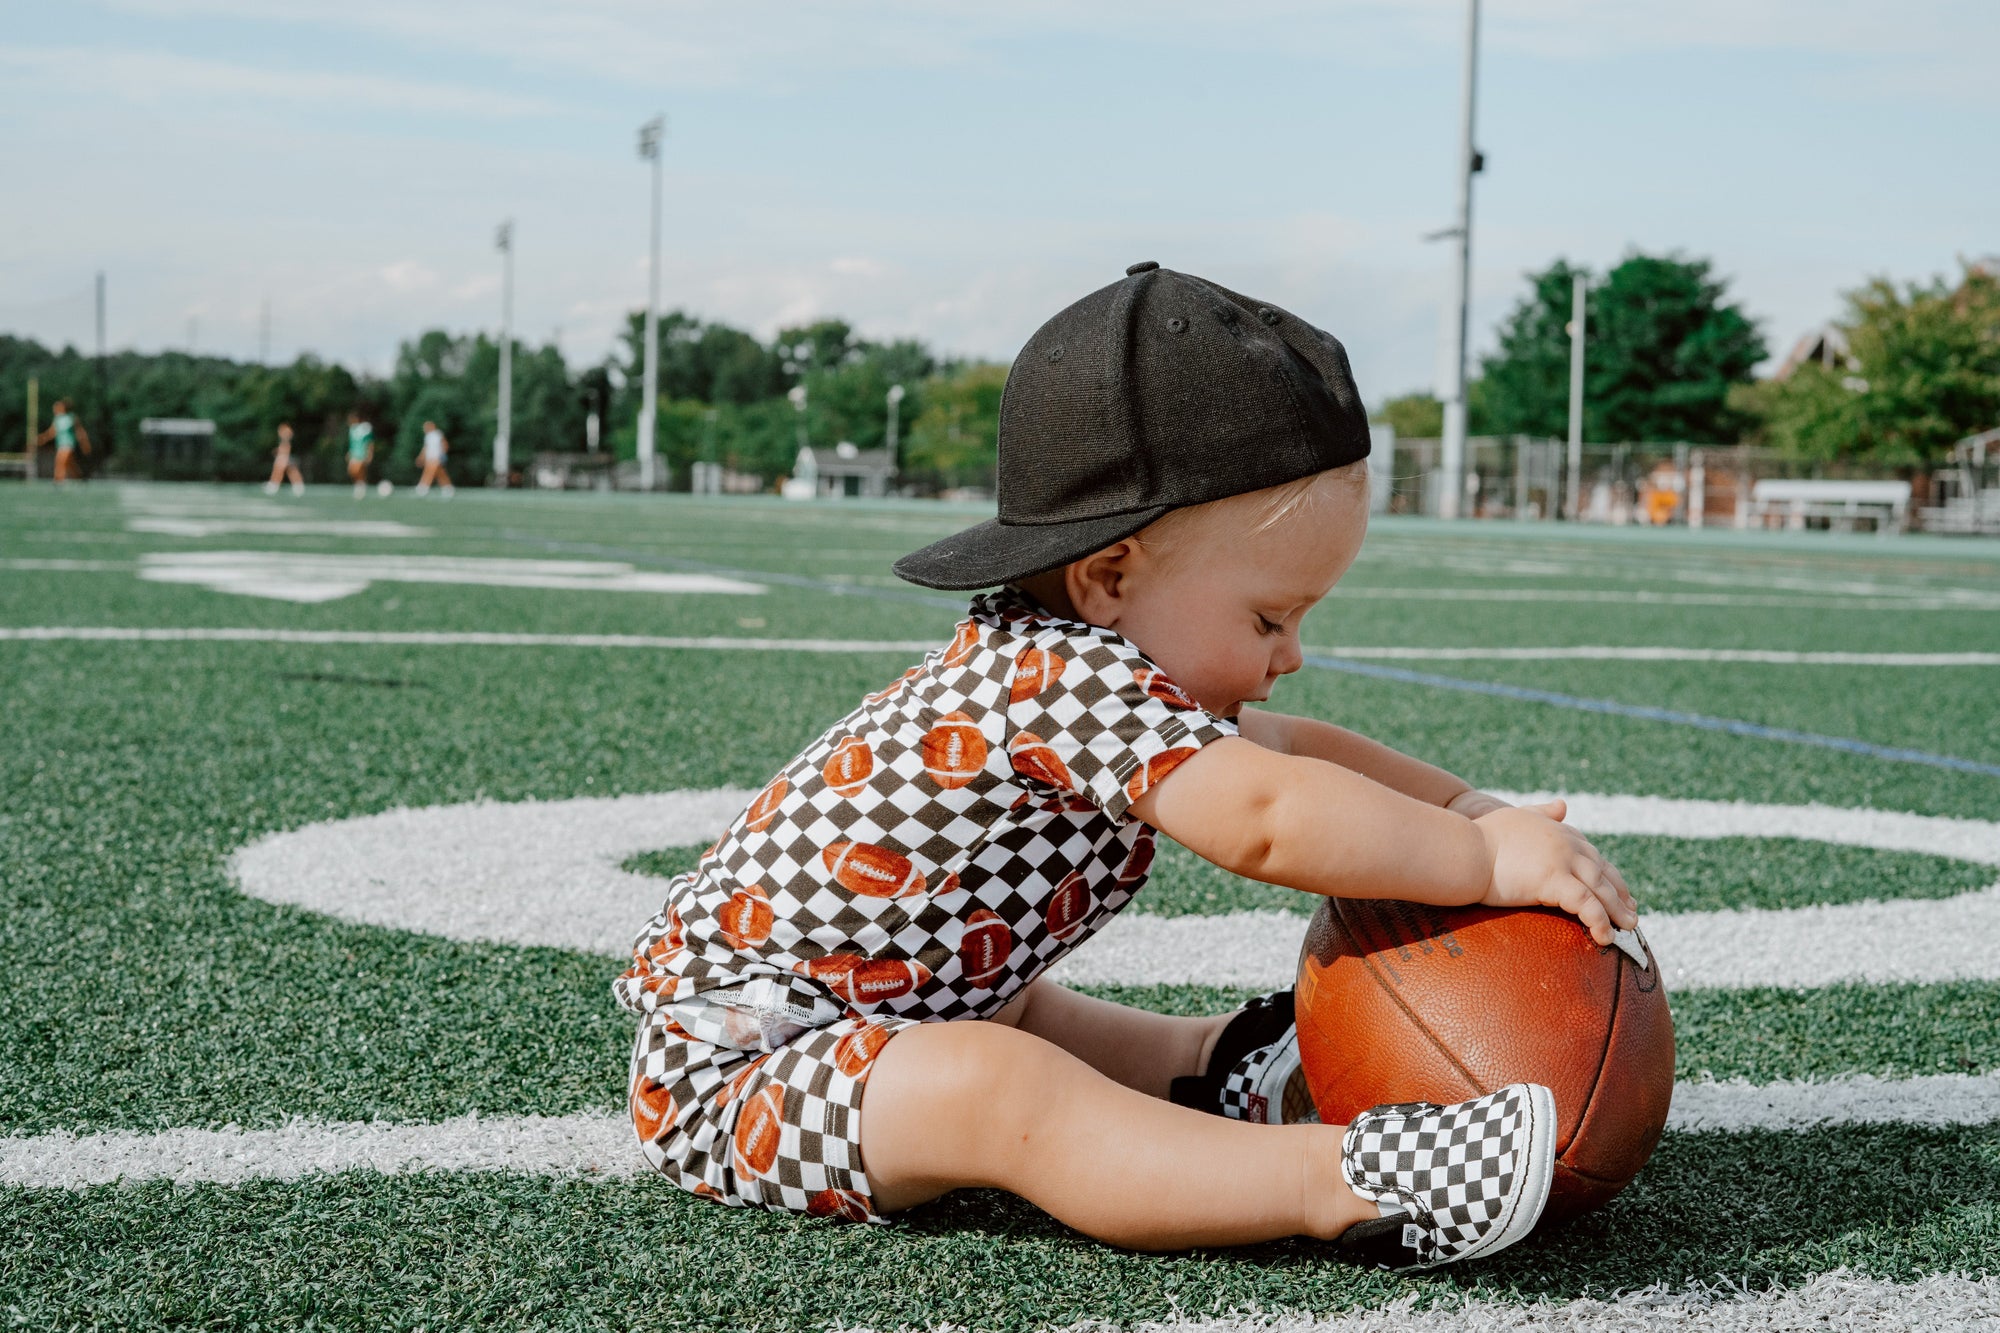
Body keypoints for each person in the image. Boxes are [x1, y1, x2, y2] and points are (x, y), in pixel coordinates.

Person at [613, 263, 1639, 1268]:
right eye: (1268, 618)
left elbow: (1292, 747)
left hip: (908, 1002)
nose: (1290, 654)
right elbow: (1266, 816)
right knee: (999, 1083)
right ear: (1109, 575)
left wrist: (1470, 804)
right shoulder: (1060, 678)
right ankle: (1344, 1185)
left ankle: (1214, 1066)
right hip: (741, 1068)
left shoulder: (1080, 666)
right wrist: (1479, 857)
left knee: (1020, 1015)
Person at [36, 400, 91, 483]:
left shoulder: (71, 417)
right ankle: (80, 478)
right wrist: (42, 438)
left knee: (60, 461)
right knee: (70, 464)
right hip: (60, 444)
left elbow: (79, 431)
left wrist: (84, 442)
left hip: (69, 444)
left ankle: (58, 480)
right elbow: (52, 432)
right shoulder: (57, 419)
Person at [414, 420, 454, 498]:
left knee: (429, 472)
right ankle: (448, 488)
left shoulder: (437, 434)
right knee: (440, 473)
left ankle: (423, 487)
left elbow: (445, 444)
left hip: (436, 457)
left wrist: (442, 454)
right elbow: (426, 448)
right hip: (430, 458)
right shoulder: (428, 436)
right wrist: (421, 457)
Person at [264, 421, 305, 496]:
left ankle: (274, 485)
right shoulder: (286, 438)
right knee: (291, 471)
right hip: (289, 456)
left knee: (280, 469)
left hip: (289, 456)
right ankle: (297, 485)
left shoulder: (286, 436)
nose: (279, 432)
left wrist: (282, 456)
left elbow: (286, 448)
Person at [346, 411, 374, 498]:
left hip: (362, 454)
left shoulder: (365, 428)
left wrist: (370, 453)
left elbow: (370, 442)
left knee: (358, 470)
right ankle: (359, 484)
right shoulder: (352, 429)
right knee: (351, 471)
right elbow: (352, 443)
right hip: (354, 454)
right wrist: (349, 452)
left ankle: (361, 485)